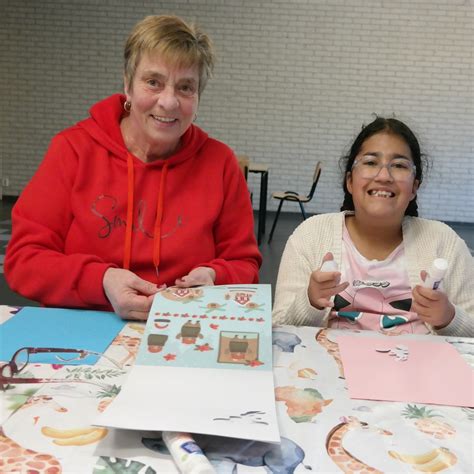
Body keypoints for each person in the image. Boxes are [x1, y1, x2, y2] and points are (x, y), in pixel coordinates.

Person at [5, 15, 261, 320]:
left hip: (181, 327)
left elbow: (244, 263)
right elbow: (24, 260)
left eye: (185, 87)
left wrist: (215, 276)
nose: (168, 102)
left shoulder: (220, 164)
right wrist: (101, 280)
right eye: (153, 82)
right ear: (128, 85)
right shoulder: (73, 150)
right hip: (83, 324)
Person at [272, 117, 473, 337]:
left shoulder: (444, 242)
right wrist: (311, 301)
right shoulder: (310, 235)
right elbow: (279, 327)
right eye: (370, 162)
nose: (384, 176)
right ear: (350, 181)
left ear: (414, 187)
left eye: (399, 165)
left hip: (419, 359)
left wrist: (448, 317)